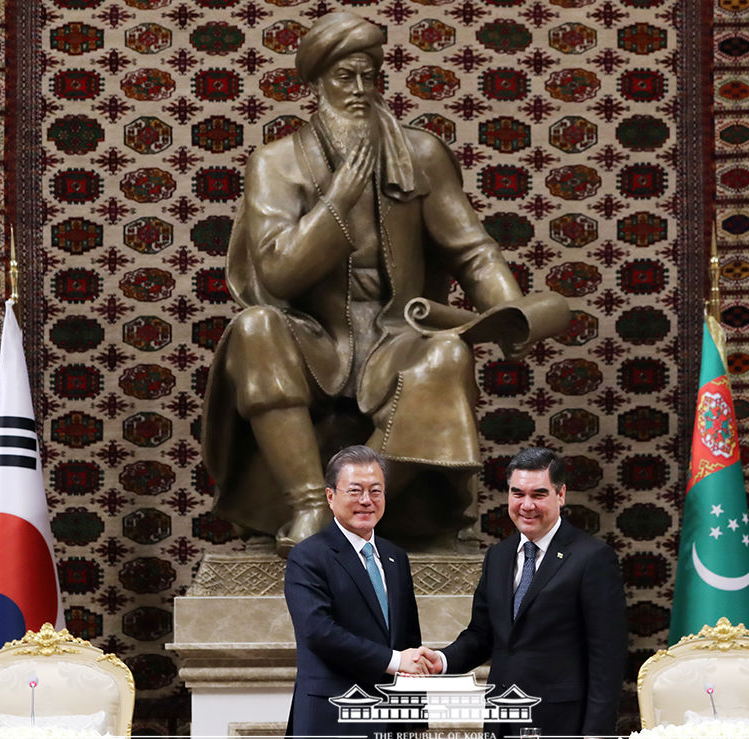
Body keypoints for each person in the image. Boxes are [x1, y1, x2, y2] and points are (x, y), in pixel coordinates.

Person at [201, 12, 566, 555]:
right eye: (344, 77)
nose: (359, 90)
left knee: (446, 356)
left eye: (369, 76)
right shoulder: (276, 164)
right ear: (317, 82)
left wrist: (510, 311)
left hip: (396, 335)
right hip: (314, 338)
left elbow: (473, 252)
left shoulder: (420, 156)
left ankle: (353, 511)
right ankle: (308, 504)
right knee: (255, 327)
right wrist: (338, 201)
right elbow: (277, 273)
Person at [420, 447, 627, 739]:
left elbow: (607, 655)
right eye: (517, 493)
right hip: (502, 721)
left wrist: (597, 733)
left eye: (539, 494)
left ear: (561, 494)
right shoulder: (498, 556)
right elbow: (482, 634)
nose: (526, 505)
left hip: (561, 724)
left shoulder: (592, 558)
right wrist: (442, 660)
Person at [283, 445, 431, 739]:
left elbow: (408, 640)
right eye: (355, 490)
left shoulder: (395, 557)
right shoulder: (308, 556)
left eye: (376, 491)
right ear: (330, 496)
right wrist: (394, 661)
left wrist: (418, 724)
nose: (366, 500)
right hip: (333, 723)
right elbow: (318, 632)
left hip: (394, 731)